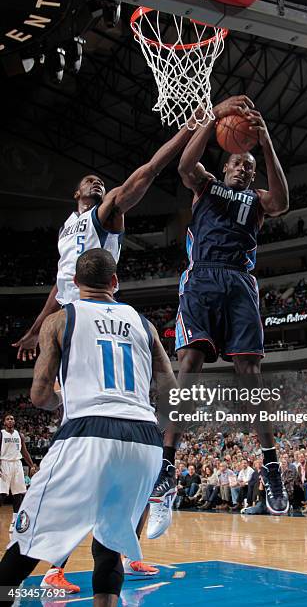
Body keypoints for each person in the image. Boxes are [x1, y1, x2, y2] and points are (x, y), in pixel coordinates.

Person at [10, 104, 234, 587]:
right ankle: (64, 565)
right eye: (89, 181)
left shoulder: (106, 213)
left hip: (92, 318)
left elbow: (148, 172)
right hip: (73, 322)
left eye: (101, 182)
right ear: (75, 193)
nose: (97, 184)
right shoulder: (67, 233)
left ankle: (77, 562)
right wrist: (36, 327)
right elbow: (58, 283)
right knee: (93, 451)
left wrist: (184, 135)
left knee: (91, 449)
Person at [0, 249, 176, 607]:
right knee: (110, 546)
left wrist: (64, 399)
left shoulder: (60, 320)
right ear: (115, 282)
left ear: (76, 284)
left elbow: (39, 396)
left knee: (27, 542)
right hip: (144, 440)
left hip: (88, 432)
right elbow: (173, 391)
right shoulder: (145, 324)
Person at [172, 99, 290, 516]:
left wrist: (267, 142)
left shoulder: (257, 199)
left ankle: (272, 465)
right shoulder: (205, 184)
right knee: (188, 362)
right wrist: (209, 119)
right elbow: (186, 165)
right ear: (224, 165)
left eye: (250, 167)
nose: (244, 169)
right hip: (202, 276)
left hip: (240, 281)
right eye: (238, 164)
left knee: (250, 375)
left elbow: (281, 202)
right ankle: (167, 464)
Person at [0, 414, 36, 533]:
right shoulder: (1, 434)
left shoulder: (19, 435)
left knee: (18, 494)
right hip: (3, 463)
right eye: (8, 419)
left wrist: (31, 465)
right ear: (4, 422)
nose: (10, 421)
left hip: (17, 464)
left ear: (14, 422)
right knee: (2, 494)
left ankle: (14, 521)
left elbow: (24, 451)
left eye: (12, 419)